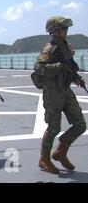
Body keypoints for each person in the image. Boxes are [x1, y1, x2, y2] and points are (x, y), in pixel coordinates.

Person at [34, 16, 87, 174]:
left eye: (66, 28)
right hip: (53, 93)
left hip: (65, 90)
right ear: (55, 31)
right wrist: (59, 66)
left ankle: (60, 151)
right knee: (53, 128)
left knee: (80, 124)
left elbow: (69, 67)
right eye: (64, 29)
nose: (66, 31)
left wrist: (76, 78)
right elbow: (39, 68)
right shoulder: (49, 49)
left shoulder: (65, 46)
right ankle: (44, 159)